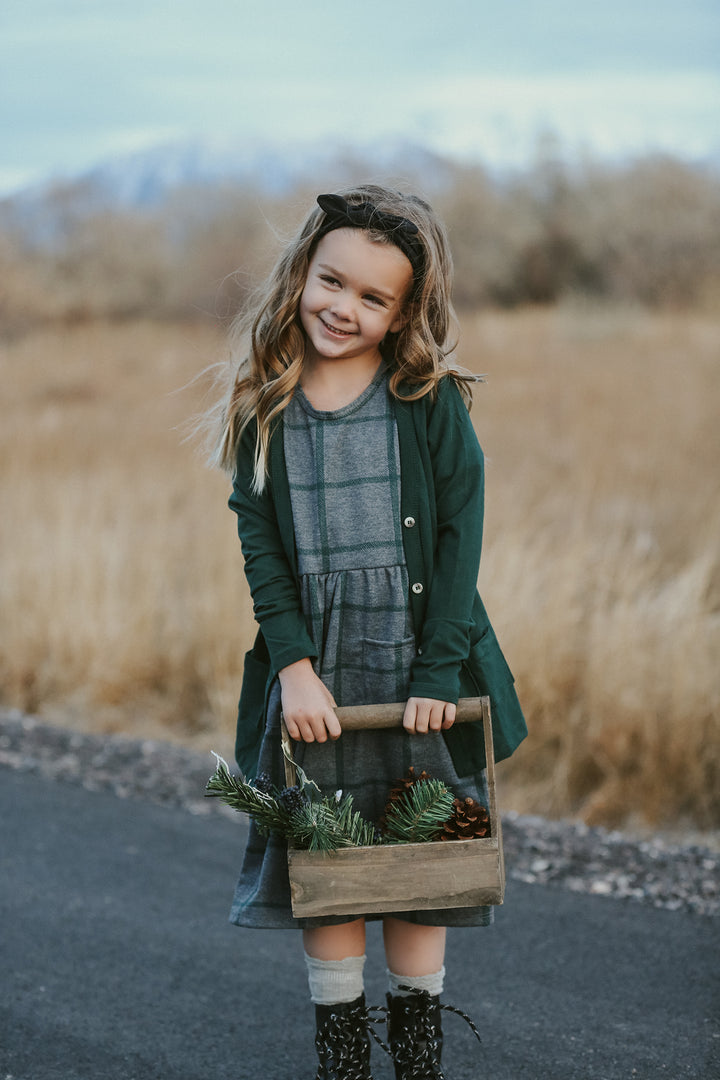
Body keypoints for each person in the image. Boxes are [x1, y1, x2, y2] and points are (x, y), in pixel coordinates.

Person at [210, 185, 527, 1080]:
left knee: (419, 869)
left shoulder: (426, 399)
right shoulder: (263, 404)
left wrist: (438, 671)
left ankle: (418, 1059)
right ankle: (344, 1062)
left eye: (372, 297)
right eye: (331, 281)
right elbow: (260, 547)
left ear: (402, 313)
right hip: (321, 674)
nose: (343, 308)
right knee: (332, 868)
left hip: (412, 664)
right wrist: (295, 669)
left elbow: (461, 537)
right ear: (302, 274)